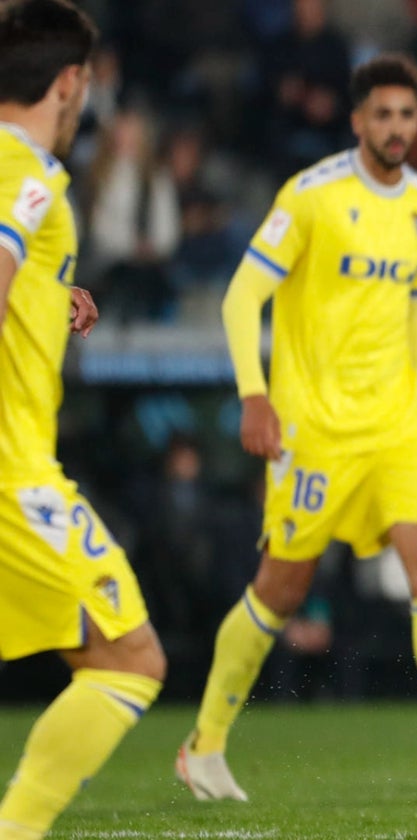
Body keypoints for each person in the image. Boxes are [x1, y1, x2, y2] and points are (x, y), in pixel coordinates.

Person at [175, 53, 417, 803]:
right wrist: (255, 396)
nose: (395, 128)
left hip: (396, 429)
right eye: (381, 114)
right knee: (280, 590)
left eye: (406, 115)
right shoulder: (311, 196)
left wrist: (413, 401)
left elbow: (410, 306)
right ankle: (204, 746)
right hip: (314, 431)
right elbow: (242, 296)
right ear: (357, 122)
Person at [0, 3, 167, 839]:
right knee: (129, 661)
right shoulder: (23, 167)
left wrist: (43, 288)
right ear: (69, 84)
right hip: (11, 473)